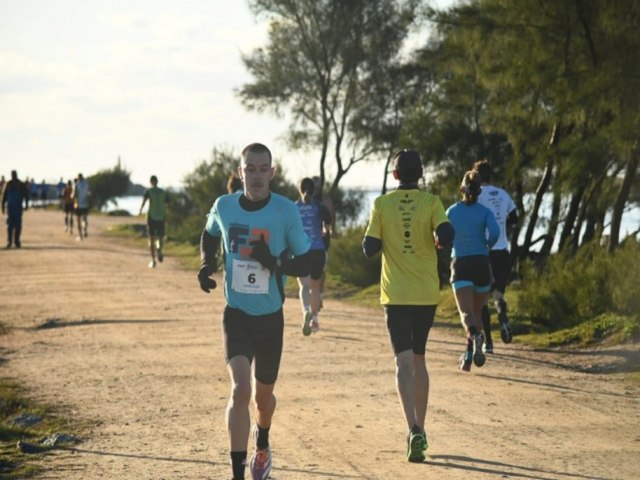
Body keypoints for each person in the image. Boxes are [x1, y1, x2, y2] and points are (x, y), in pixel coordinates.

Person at [197, 143, 311, 480]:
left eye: (264, 169)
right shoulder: (225, 205)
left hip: (271, 318)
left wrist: (273, 262)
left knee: (263, 400)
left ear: (272, 173)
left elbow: (306, 261)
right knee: (239, 390)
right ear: (240, 171)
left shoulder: (285, 211)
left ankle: (262, 440)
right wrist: (206, 264)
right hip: (237, 315)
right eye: (251, 169)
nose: (257, 176)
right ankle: (236, 474)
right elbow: (208, 233)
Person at [362, 150, 453, 463]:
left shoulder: (381, 204)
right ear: (422, 174)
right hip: (426, 294)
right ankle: (422, 429)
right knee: (419, 359)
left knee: (402, 364)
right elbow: (446, 233)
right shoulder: (432, 202)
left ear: (395, 175)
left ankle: (411, 427)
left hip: (397, 296)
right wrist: (439, 240)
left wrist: (384, 235)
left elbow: (369, 248)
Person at [446, 169, 499, 372]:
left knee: (466, 314)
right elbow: (494, 233)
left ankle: (475, 336)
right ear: (479, 192)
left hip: (460, 263)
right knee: (478, 311)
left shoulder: (451, 211)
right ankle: (468, 357)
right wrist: (487, 244)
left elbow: (441, 234)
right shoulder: (485, 212)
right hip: (481, 264)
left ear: (461, 189)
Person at [473, 160, 518, 352]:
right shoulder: (503, 194)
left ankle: (489, 343)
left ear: (477, 177)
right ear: (491, 176)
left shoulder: (478, 196)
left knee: (483, 298)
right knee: (498, 294)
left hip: (486, 252)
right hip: (503, 251)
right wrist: (503, 228)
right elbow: (515, 217)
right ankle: (503, 318)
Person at [295, 177, 332, 335]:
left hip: (301, 250)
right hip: (318, 250)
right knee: (315, 288)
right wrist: (325, 232)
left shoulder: (294, 207)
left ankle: (305, 312)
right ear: (314, 190)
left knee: (304, 286)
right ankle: (315, 319)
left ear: (299, 189)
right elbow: (328, 226)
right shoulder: (319, 207)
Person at [311, 175, 334, 308]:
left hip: (323, 239)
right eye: (315, 186)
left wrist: (330, 231)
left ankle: (319, 294)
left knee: (322, 268)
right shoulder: (306, 200)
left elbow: (331, 215)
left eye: (319, 187)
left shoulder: (326, 200)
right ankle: (313, 294)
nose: (316, 189)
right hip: (309, 238)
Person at [139, 175, 169, 268]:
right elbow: (168, 203)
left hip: (151, 217)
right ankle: (159, 249)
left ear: (151, 182)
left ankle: (153, 260)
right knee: (160, 236)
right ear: (157, 181)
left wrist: (140, 210)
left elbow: (144, 201)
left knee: (151, 239)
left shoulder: (149, 191)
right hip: (161, 216)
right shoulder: (163, 192)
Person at [1, 170, 30, 248]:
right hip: (10, 207)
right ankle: (10, 241)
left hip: (18, 207)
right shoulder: (8, 184)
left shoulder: (21, 184)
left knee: (17, 225)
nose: (13, 176)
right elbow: (4, 197)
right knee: (10, 225)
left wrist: (27, 204)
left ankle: (17, 241)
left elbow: (26, 195)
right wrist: (2, 207)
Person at [72, 173, 90, 241]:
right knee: (84, 218)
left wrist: (72, 197)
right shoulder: (86, 183)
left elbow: (74, 195)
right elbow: (89, 193)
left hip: (78, 204)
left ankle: (80, 235)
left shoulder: (76, 184)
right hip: (85, 204)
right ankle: (85, 229)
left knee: (78, 220)